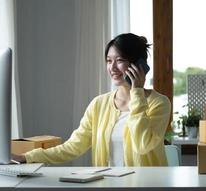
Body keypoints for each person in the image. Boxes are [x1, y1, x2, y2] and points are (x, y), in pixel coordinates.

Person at [12, 33, 171, 168]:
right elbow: (74, 147)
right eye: (109, 61)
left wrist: (137, 92)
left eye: (120, 60)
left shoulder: (159, 103)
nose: (112, 68)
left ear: (138, 65)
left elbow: (143, 145)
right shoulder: (99, 104)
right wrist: (27, 157)